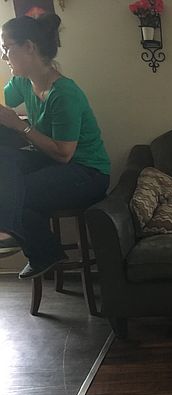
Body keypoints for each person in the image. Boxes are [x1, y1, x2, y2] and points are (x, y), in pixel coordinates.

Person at [0, 14, 110, 279]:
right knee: (5, 163)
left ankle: (21, 238)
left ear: (29, 47)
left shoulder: (64, 94)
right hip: (51, 161)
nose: (3, 56)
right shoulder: (23, 82)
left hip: (87, 172)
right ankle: (39, 248)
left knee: (14, 193)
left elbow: (64, 154)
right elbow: (6, 101)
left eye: (6, 48)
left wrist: (21, 127)